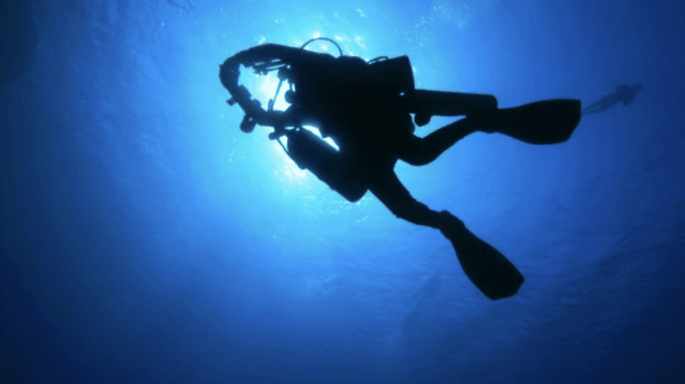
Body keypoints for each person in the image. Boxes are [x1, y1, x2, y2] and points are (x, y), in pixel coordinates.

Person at [219, 40, 582, 300]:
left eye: (289, 87)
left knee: (418, 156)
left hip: (380, 127)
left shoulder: (315, 67)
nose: (290, 92)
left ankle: (481, 122)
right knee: (400, 197)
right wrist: (242, 91)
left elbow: (278, 52)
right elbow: (268, 114)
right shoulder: (304, 104)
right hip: (367, 150)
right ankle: (448, 223)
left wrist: (235, 63)